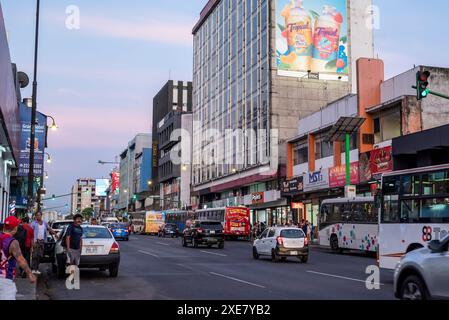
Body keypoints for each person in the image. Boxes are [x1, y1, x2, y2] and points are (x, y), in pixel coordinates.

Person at [0, 216, 37, 300]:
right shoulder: (13, 242)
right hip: (5, 280)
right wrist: (30, 274)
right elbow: (21, 260)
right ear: (15, 228)